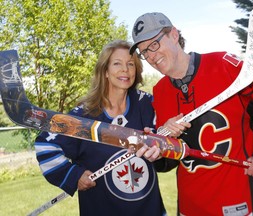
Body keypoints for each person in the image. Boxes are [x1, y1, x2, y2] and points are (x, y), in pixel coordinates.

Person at [130, 12, 253, 216]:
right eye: (144, 52)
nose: (151, 56)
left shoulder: (224, 65)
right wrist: (158, 151)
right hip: (190, 205)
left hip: (236, 198)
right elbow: (171, 159)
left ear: (174, 35)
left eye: (154, 44)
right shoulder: (160, 92)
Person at [34, 40, 167, 216]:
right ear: (105, 71)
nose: (125, 70)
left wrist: (164, 141)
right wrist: (74, 175)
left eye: (130, 64)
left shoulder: (146, 104)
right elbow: (45, 146)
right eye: (117, 63)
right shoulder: (84, 115)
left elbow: (166, 144)